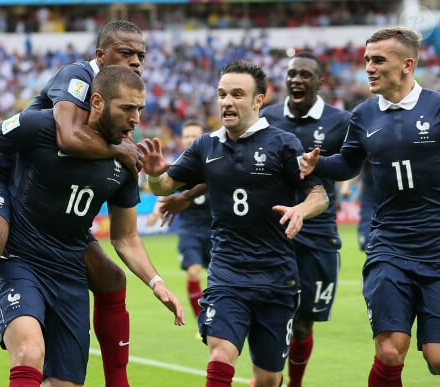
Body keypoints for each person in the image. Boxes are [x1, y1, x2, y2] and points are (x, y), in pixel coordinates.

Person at [0, 21, 147, 384]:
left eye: (141, 55)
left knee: (111, 277)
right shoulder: (77, 76)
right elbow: (66, 137)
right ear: (101, 56)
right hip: (3, 176)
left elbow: (126, 227)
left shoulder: (118, 97)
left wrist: (134, 157)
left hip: (46, 200)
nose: (136, 62)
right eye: (126, 53)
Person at [0, 65, 184, 387]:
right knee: (30, 351)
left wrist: (156, 281)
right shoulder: (44, 126)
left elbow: (126, 236)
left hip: (69, 272)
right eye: (127, 108)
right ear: (98, 102)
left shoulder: (126, 163)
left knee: (65, 383)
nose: (136, 118)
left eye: (140, 109)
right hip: (19, 260)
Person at [138, 61, 329, 387]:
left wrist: (301, 209)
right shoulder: (205, 146)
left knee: (268, 379)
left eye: (237, 94)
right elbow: (164, 187)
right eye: (222, 94)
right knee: (220, 354)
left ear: (258, 100)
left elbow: (319, 195)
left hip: (277, 276)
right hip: (228, 273)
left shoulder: (283, 144)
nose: (226, 101)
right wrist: (155, 175)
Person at [298, 26, 440, 385]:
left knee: (438, 359)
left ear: (407, 64)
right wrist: (318, 165)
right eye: (366, 61)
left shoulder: (437, 107)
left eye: (379, 60)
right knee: (390, 349)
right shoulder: (363, 115)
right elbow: (347, 164)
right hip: (390, 244)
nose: (369, 68)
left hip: (437, 247)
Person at [260, 51, 351, 387]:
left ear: (319, 82)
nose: (297, 80)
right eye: (292, 73)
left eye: (305, 75)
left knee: (303, 324)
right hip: (276, 229)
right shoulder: (268, 117)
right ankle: (269, 377)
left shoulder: (341, 122)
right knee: (273, 313)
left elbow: (355, 164)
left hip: (318, 232)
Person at [146, 120, 212, 326]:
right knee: (193, 271)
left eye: (195, 136)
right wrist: (156, 212)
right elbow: (165, 190)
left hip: (215, 228)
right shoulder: (178, 166)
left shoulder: (215, 162)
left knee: (218, 279)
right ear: (181, 139)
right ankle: (202, 322)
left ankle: (218, 317)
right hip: (189, 228)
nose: (190, 140)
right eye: (187, 136)